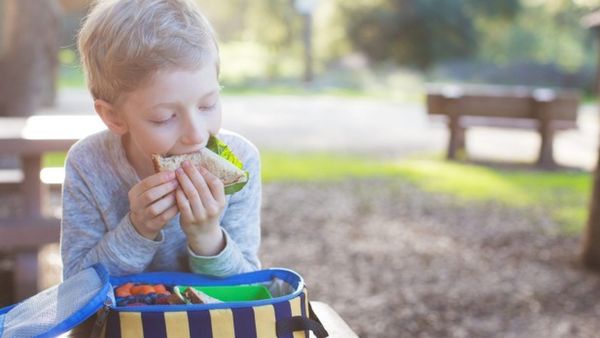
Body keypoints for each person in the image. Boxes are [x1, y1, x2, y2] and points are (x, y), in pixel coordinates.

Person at [60, 0, 261, 281]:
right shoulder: (88, 164)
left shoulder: (240, 162)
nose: (197, 134)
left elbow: (249, 290)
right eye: (165, 117)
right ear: (114, 117)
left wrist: (208, 238)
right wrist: (138, 229)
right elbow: (76, 289)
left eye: (207, 105)